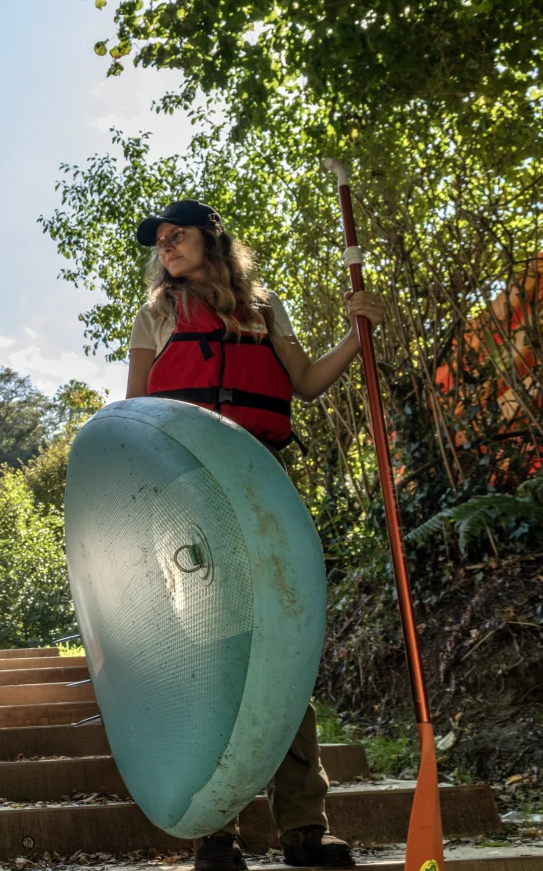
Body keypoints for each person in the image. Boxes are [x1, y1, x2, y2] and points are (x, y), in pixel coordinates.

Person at [124, 199, 384, 871]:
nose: (165, 248)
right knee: (210, 651)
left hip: (261, 483)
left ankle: (305, 828)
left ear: (210, 238)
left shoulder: (264, 305)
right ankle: (215, 833)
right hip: (186, 493)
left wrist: (358, 334)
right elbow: (134, 418)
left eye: (175, 236)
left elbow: (306, 383)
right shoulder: (154, 314)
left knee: (283, 648)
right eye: (158, 242)